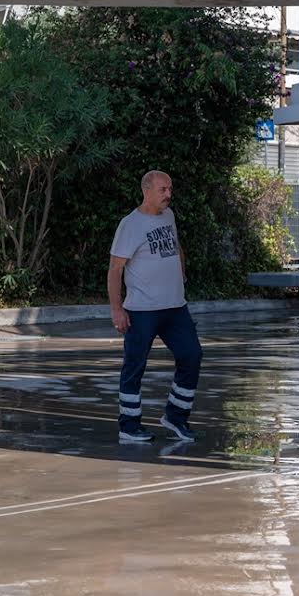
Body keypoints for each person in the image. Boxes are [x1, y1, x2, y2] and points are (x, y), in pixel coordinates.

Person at [107, 170, 202, 444]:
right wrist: (117, 309)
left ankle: (176, 416)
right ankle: (129, 425)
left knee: (192, 356)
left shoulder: (168, 216)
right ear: (146, 190)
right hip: (142, 310)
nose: (168, 195)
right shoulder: (130, 225)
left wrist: (181, 275)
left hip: (175, 307)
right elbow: (115, 269)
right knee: (134, 366)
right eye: (163, 190)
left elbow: (177, 246)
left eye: (170, 189)